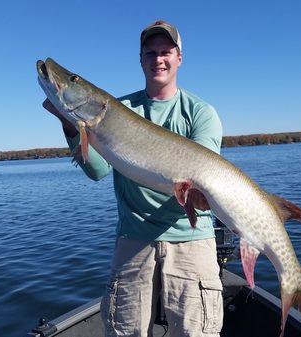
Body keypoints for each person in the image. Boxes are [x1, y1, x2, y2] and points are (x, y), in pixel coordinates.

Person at [43, 20, 224, 337]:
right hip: (133, 242)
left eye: (166, 51)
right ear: (141, 59)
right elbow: (97, 170)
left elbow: (202, 173)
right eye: (150, 53)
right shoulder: (119, 108)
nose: (158, 59)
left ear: (179, 58)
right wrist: (72, 126)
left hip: (192, 243)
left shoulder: (201, 113)